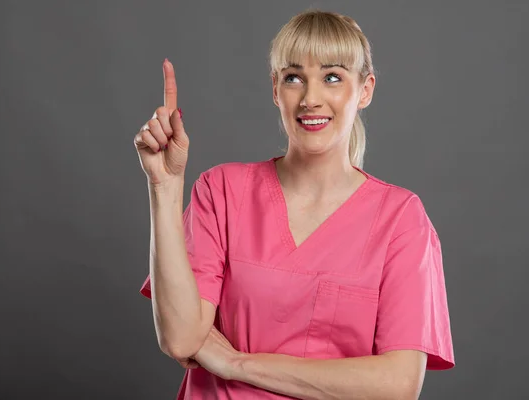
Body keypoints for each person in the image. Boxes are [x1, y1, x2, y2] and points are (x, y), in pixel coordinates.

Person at [134, 9, 454, 400]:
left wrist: (237, 364)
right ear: (275, 89)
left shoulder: (401, 219)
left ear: (365, 89)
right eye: (293, 78)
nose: (310, 98)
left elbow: (399, 384)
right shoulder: (222, 191)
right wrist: (165, 187)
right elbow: (182, 339)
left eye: (332, 77)